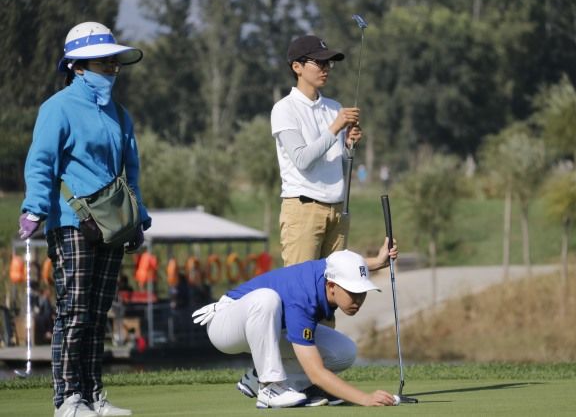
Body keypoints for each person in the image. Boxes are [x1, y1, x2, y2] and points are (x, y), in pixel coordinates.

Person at [18, 22, 151, 417]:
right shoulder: (57, 108)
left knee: (97, 313)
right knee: (74, 310)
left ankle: (93, 397)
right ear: (77, 66)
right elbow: (41, 162)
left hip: (113, 223)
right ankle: (67, 399)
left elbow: (131, 172)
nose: (112, 68)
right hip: (70, 220)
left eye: (114, 62)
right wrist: (34, 207)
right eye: (103, 62)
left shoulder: (120, 115)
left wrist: (139, 216)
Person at [192, 242, 399, 408]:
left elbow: (341, 264)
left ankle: (258, 378)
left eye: (362, 292)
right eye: (353, 292)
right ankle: (270, 387)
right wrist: (364, 398)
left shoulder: (328, 273)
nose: (358, 300)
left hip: (268, 328)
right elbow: (316, 373)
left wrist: (378, 262)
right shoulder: (303, 298)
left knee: (344, 351)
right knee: (267, 299)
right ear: (332, 286)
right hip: (226, 325)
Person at [271, 35, 364, 267]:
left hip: (337, 210)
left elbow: (341, 168)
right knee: (301, 284)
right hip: (303, 210)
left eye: (328, 63)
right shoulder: (284, 109)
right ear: (297, 67)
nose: (326, 68)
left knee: (333, 284)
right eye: (319, 62)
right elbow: (302, 159)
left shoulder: (334, 108)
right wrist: (335, 128)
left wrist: (349, 146)